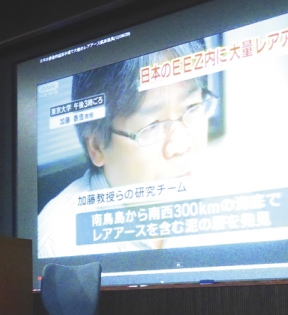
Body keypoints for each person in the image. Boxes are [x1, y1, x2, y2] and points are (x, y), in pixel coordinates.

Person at [38, 40, 219, 258]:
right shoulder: (58, 243)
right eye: (152, 126)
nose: (181, 146)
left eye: (192, 108)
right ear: (96, 146)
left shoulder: (224, 194)